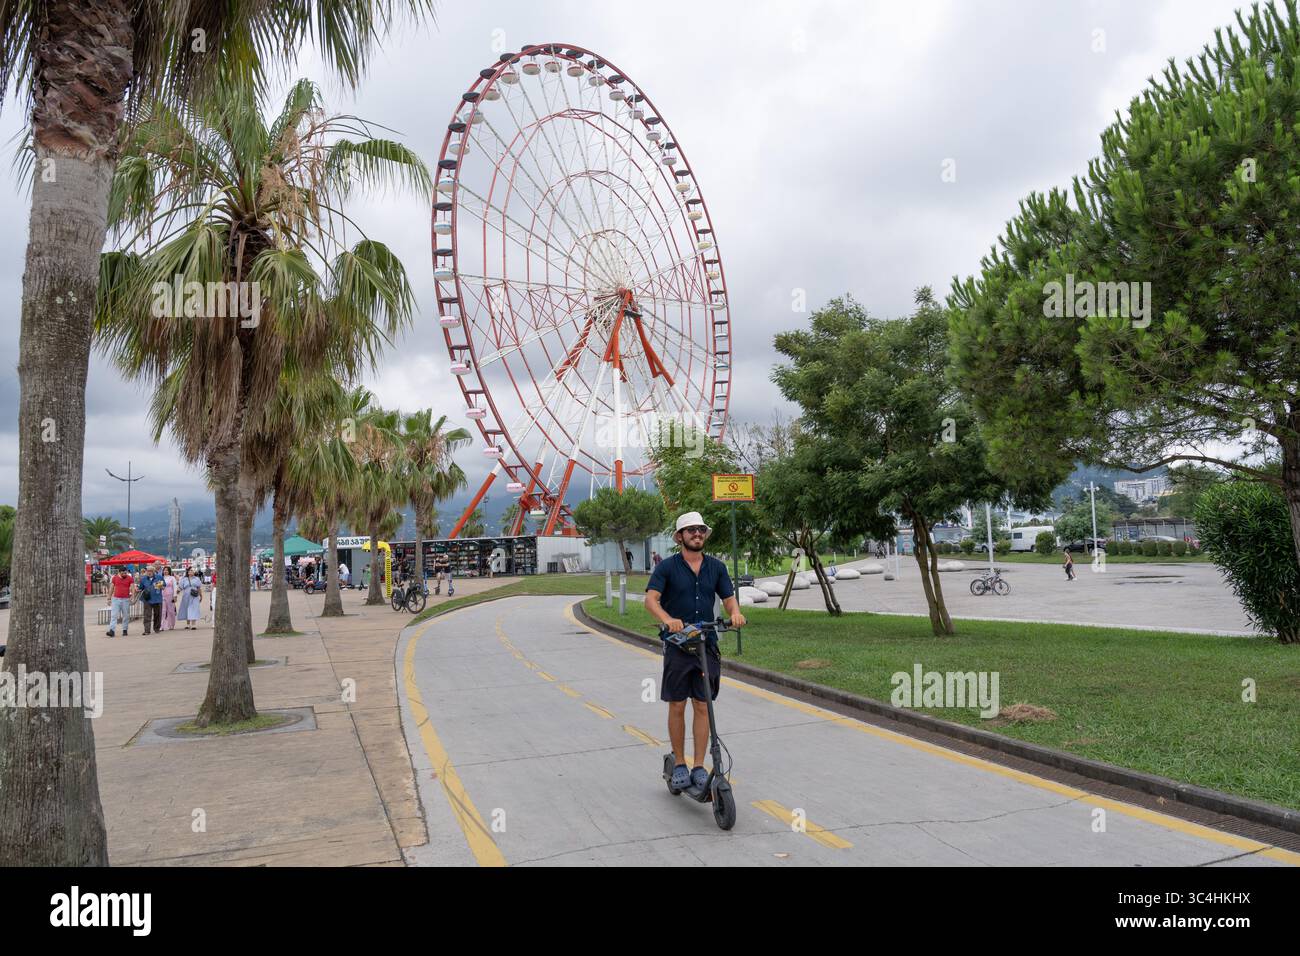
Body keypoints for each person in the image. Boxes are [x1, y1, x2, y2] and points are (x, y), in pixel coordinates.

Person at [644, 511, 746, 793]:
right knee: (677, 704)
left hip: (706, 644)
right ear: (680, 537)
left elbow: (728, 599)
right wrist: (667, 619)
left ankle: (699, 767)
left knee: (703, 705)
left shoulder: (716, 567)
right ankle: (679, 763)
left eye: (701, 530)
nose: (697, 534)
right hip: (678, 645)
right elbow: (650, 600)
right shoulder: (666, 567)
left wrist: (735, 613)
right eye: (691, 531)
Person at [107, 565, 135, 637]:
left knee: (126, 615)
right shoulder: (114, 578)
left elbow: (132, 588)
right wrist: (109, 598)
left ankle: (125, 629)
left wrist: (133, 596)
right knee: (114, 615)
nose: (124, 574)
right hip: (116, 599)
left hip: (126, 599)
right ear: (119, 572)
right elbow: (111, 588)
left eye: (125, 573)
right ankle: (112, 631)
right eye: (123, 573)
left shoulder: (130, 578)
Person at [139, 563, 165, 635]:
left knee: (157, 614)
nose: (149, 572)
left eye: (150, 571)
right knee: (147, 615)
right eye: (148, 571)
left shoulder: (159, 577)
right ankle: (147, 630)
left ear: (153, 571)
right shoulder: (143, 579)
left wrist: (161, 587)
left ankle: (156, 628)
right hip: (147, 599)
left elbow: (164, 586)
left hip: (157, 598)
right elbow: (141, 588)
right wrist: (137, 589)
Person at [161, 565, 178, 631]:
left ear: (169, 571)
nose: (165, 571)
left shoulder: (172, 578)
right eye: (164, 570)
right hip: (162, 595)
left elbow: (175, 587)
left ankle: (171, 625)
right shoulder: (161, 578)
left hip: (170, 595)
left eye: (167, 570)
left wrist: (175, 595)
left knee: (171, 611)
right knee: (163, 611)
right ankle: (162, 626)